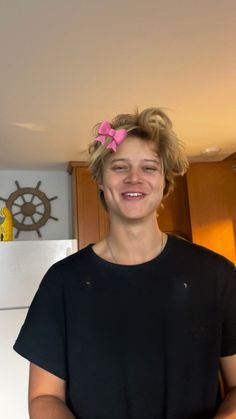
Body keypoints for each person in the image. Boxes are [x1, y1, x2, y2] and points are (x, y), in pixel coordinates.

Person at [14, 107, 236, 419]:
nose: (135, 178)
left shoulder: (217, 275)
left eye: (149, 167)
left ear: (164, 181)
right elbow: (44, 397)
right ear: (101, 181)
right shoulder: (62, 282)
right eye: (120, 167)